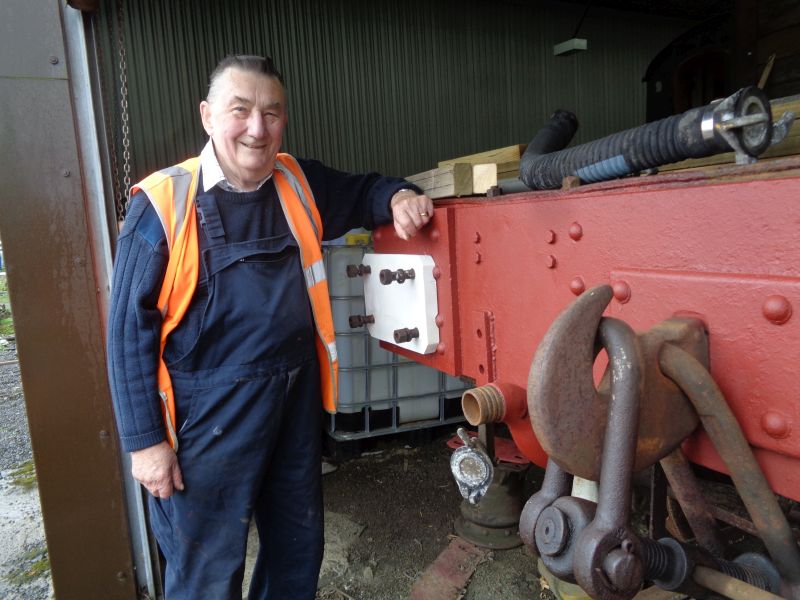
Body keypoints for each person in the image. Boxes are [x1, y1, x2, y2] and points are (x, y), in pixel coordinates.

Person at [106, 54, 433, 600]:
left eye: (272, 113)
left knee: (295, 552)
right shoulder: (164, 203)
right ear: (209, 116)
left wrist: (397, 197)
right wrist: (146, 444)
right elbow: (124, 335)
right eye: (241, 111)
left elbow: (364, 190)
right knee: (206, 571)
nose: (258, 129)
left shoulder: (296, 182)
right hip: (203, 422)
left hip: (292, 407)